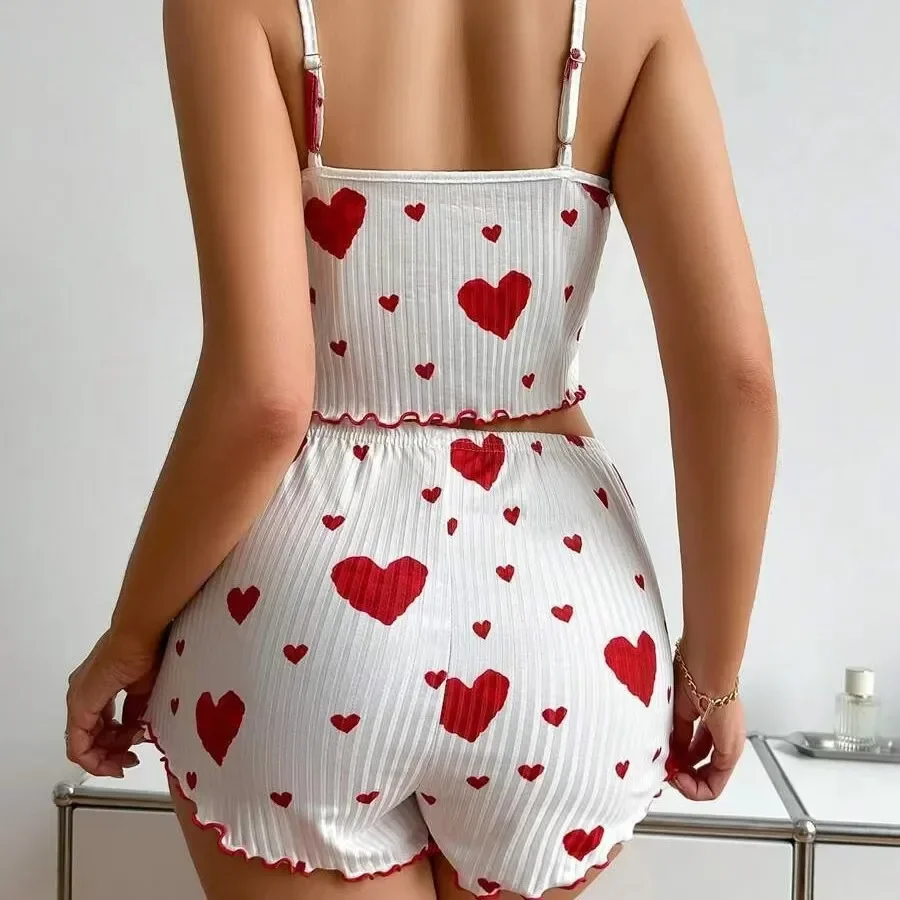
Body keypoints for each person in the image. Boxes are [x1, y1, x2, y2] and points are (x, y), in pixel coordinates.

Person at [65, 0, 778, 897]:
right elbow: (735, 380)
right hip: (566, 631)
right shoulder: (635, 15)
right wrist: (713, 675)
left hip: (303, 616)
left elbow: (264, 399)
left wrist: (130, 636)